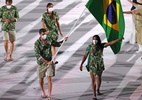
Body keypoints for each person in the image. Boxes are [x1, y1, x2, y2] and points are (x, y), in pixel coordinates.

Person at [79, 35, 123, 100]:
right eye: (93, 39)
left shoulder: (101, 46)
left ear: (98, 40)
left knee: (99, 77)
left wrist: (118, 39)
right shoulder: (89, 47)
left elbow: (110, 43)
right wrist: (81, 64)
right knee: (93, 79)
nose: (94, 41)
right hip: (92, 65)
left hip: (99, 64)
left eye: (96, 39)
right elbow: (85, 55)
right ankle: (94, 95)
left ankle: (98, 90)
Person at [34, 28, 67, 100]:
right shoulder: (37, 43)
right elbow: (38, 56)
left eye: (45, 34)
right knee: (41, 78)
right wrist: (46, 62)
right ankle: (43, 92)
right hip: (41, 63)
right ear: (40, 34)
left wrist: (63, 40)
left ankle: (49, 95)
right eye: (43, 34)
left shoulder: (49, 39)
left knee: (49, 78)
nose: (45, 36)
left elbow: (57, 44)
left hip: (50, 61)